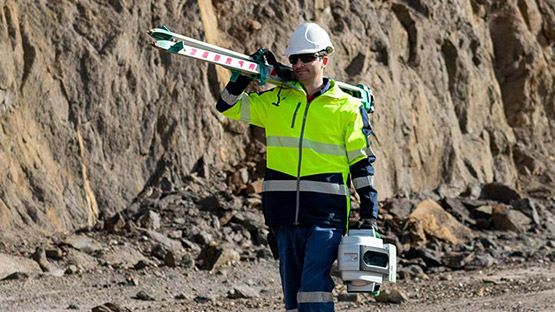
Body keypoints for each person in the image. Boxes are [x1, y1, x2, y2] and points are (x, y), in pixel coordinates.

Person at [216, 22, 378, 312]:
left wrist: (370, 215)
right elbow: (227, 106)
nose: (299, 63)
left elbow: (361, 164)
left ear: (324, 60)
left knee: (314, 289)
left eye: (307, 57)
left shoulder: (347, 107)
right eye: (294, 59)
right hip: (283, 216)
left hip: (326, 217)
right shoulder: (276, 101)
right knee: (293, 298)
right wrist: (242, 77)